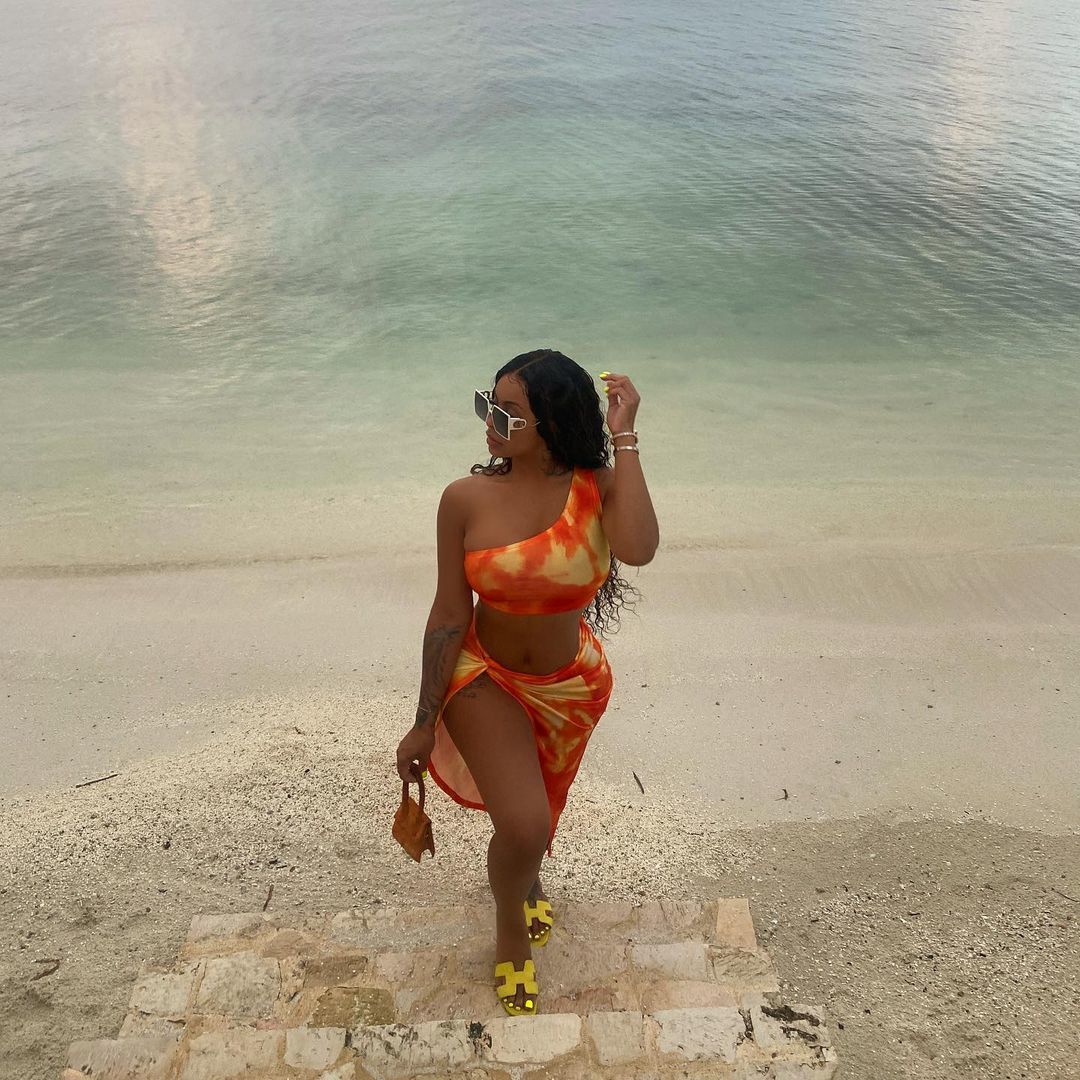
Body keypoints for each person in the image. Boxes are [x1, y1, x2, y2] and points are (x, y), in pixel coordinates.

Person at [394, 348, 659, 1016]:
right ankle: (511, 930)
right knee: (524, 823)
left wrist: (625, 435)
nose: (491, 422)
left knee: (537, 822)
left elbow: (638, 548)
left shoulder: (597, 488)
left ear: (552, 424)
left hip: (572, 688)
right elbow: (448, 613)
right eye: (488, 406)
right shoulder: (464, 500)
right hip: (484, 676)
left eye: (509, 414)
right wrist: (423, 720)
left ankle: (527, 880)